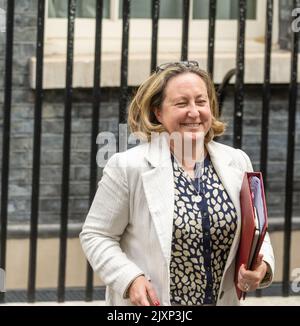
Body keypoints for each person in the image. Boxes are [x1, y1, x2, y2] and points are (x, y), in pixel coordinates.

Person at [80, 61, 275, 306]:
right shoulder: (128, 166)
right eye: (182, 103)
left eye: (201, 101)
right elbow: (96, 235)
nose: (194, 112)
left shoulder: (237, 161)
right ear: (158, 112)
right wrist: (130, 279)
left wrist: (263, 265)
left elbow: (256, 229)